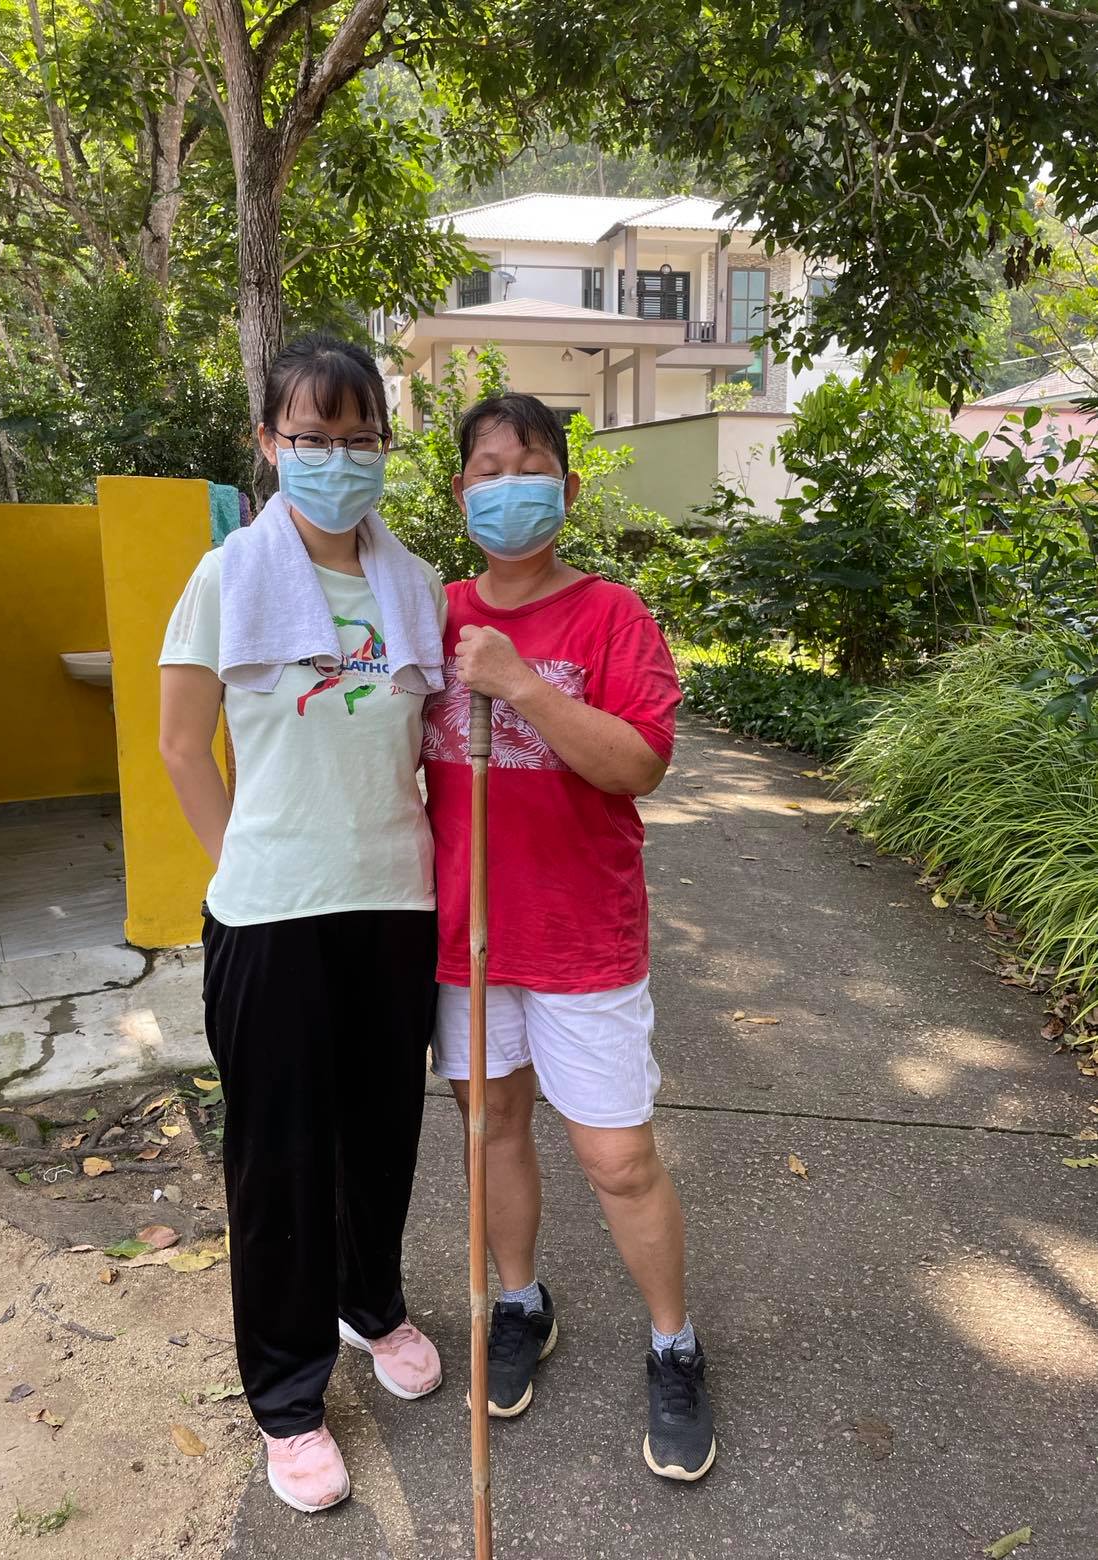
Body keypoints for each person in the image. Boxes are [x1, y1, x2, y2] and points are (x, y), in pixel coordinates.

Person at [159, 334, 447, 1515]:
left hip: (394, 900)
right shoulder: (227, 578)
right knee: (278, 1160)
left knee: (382, 1133)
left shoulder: (416, 584)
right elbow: (182, 746)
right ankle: (286, 1396)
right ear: (269, 444)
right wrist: (248, 871)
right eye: (312, 437)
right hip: (273, 915)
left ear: (384, 445)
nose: (337, 458)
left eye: (359, 437)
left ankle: (367, 1299)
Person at [421, 393, 715, 1482]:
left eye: (530, 464)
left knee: (619, 1159)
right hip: (465, 937)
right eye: (487, 467)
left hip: (583, 937)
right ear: (461, 494)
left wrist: (518, 687)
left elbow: (638, 765)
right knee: (492, 1127)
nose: (509, 483)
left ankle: (674, 1344)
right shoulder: (433, 610)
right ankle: (519, 1302)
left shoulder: (611, 616)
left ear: (567, 489)